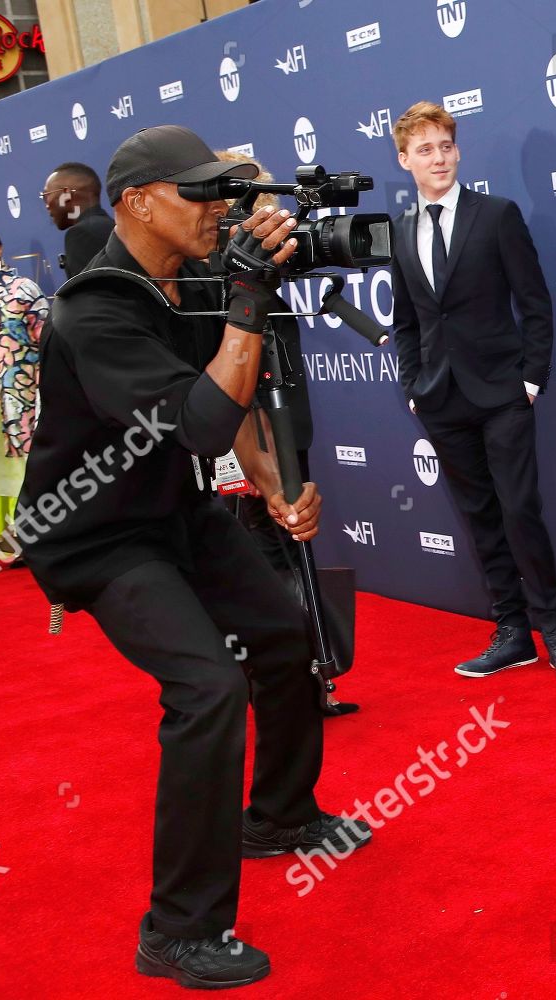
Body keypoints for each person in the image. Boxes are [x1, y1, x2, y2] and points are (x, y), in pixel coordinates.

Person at [14, 125, 371, 990]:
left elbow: (235, 410)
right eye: (199, 192)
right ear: (137, 202)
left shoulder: (199, 278)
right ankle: (175, 930)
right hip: (96, 536)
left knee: (286, 642)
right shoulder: (93, 309)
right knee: (209, 687)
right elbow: (199, 421)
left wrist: (276, 486)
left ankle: (278, 816)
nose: (219, 208)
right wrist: (248, 299)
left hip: (179, 509)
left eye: (223, 190)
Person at [389, 100, 556, 681]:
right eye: (425, 149)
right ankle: (513, 632)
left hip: (503, 392)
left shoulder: (496, 215)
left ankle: (555, 630)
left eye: (446, 146)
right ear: (405, 160)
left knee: (519, 510)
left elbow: (535, 303)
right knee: (479, 517)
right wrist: (413, 384)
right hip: (440, 399)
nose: (439, 158)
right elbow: (408, 321)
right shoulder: (401, 232)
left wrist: (531, 379)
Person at [211, 150, 359, 717]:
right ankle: (272, 677)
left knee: (292, 546)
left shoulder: (270, 257)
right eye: (244, 194)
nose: (261, 204)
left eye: (262, 193)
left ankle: (309, 676)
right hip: (240, 427)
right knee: (252, 551)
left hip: (285, 416)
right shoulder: (216, 270)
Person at [0, 228, 48, 567]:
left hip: (23, 397)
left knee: (25, 468)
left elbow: (48, 342)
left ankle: (28, 539)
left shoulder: (23, 290)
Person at [41, 161, 116, 278]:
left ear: (66, 195)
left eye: (46, 196)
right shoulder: (110, 226)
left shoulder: (81, 234)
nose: (46, 205)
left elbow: (89, 294)